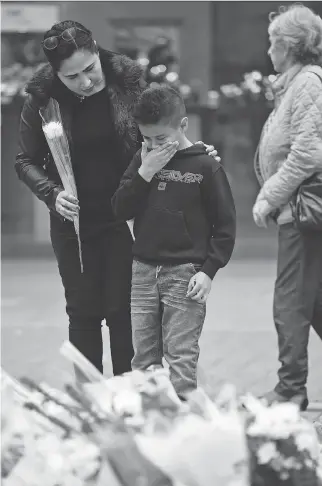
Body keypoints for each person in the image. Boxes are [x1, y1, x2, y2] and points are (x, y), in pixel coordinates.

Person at [15, 21, 220, 380]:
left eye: (89, 69)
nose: (85, 82)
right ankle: (90, 401)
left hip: (129, 216)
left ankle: (131, 397)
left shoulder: (130, 85)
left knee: (126, 312)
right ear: (55, 74)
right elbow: (25, 160)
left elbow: (162, 134)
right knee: (82, 312)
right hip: (74, 224)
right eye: (72, 76)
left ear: (97, 51)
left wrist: (197, 155)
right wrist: (51, 194)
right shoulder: (43, 99)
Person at [112, 85, 236, 398]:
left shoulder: (206, 166)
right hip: (142, 271)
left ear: (183, 126)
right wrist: (145, 171)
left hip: (184, 274)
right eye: (147, 138)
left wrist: (208, 270)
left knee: (181, 356)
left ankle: (184, 426)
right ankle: (149, 423)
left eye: (161, 139)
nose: (153, 146)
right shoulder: (143, 160)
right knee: (143, 358)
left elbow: (224, 226)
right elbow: (119, 208)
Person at [252, 4, 322, 410]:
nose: (268, 52)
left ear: (288, 46)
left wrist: (269, 195)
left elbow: (308, 153)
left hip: (301, 209)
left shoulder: (309, 82)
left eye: (272, 43)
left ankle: (290, 387)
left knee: (291, 299)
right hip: (298, 207)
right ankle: (291, 382)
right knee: (312, 300)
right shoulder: (295, 84)